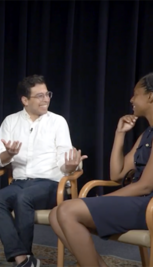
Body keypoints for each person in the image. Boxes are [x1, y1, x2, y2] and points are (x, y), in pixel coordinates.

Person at [49, 73, 153, 267]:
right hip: (139, 203)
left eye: (135, 94)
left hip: (148, 206)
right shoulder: (147, 134)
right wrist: (119, 134)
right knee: (55, 214)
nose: (131, 99)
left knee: (67, 211)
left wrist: (105, 199)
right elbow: (117, 174)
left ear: (150, 96)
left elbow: (145, 186)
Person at [0, 75, 86, 267]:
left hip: (49, 184)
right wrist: (8, 154)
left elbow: (64, 163)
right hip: (20, 182)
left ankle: (23, 261)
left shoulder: (58, 122)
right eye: (39, 96)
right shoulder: (11, 121)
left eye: (47, 94)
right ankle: (23, 259)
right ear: (25, 100)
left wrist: (72, 166)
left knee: (23, 197)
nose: (46, 99)